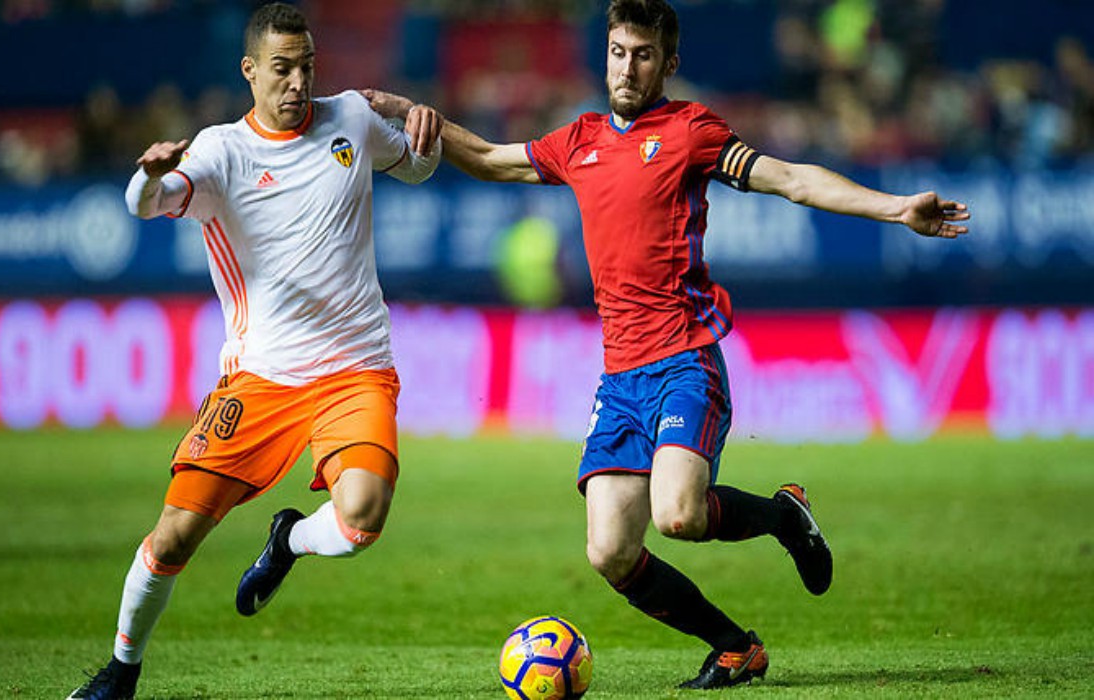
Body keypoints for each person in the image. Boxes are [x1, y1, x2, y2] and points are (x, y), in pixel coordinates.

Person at [366, 0, 969, 690]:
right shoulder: (579, 140)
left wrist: (894, 208)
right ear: (607, 54)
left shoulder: (691, 132)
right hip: (619, 379)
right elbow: (491, 161)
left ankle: (782, 517)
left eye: (643, 54)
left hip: (685, 359)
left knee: (678, 514)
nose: (628, 66)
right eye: (619, 51)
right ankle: (735, 646)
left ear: (668, 63)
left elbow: (791, 178)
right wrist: (419, 117)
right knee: (610, 552)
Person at [67, 4, 443, 699]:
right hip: (261, 379)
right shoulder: (220, 152)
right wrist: (150, 175)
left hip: (355, 370)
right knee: (174, 538)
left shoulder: (351, 119)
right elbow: (145, 203)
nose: (297, 82)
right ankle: (121, 671)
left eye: (306, 66)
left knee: (361, 520)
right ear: (250, 71)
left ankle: (289, 540)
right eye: (281, 68)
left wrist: (424, 137)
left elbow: (414, 167)